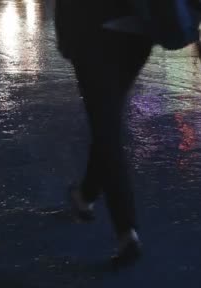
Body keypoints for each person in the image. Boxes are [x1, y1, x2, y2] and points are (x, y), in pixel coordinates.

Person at [55, 0, 153, 266]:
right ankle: (85, 195)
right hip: (139, 32)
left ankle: (126, 230)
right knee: (106, 122)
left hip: (94, 30)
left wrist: (65, 34)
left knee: (106, 127)